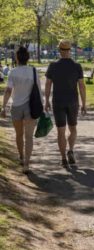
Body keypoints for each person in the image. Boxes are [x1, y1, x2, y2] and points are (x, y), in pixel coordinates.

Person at [44, 40, 86, 168]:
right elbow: (82, 86)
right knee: (73, 128)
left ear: (59, 50)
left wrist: (46, 100)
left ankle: (63, 158)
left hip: (58, 101)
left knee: (60, 131)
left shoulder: (53, 66)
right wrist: (84, 103)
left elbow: (48, 84)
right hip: (73, 101)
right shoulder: (77, 66)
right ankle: (71, 150)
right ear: (70, 50)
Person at [0, 46, 42, 173]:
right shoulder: (34, 71)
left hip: (16, 107)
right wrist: (43, 106)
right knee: (29, 137)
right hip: (31, 107)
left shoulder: (13, 72)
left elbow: (8, 90)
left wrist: (3, 107)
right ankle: (27, 164)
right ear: (28, 58)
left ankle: (22, 157)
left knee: (19, 134)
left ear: (17, 58)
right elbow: (39, 90)